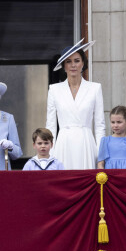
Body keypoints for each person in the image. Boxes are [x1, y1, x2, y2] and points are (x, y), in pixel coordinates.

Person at [46, 39, 105, 170]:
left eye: (77, 61)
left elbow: (100, 125)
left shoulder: (95, 88)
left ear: (83, 63)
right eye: (69, 61)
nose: (73, 65)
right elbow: (50, 125)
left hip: (86, 143)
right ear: (64, 66)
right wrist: (51, 152)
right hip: (63, 143)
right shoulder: (54, 89)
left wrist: (100, 154)